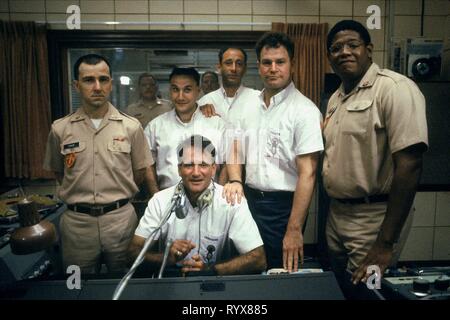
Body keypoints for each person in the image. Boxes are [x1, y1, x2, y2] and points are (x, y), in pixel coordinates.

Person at [322, 20, 428, 295]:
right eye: (336, 48)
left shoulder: (394, 89)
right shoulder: (336, 99)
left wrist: (385, 243)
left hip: (374, 218)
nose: (344, 52)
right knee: (343, 291)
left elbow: (410, 164)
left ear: (369, 50)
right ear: (329, 57)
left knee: (368, 292)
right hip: (337, 215)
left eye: (352, 45)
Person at [43, 54, 153, 275]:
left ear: (111, 83)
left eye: (103, 80)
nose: (97, 87)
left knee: (124, 284)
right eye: (88, 80)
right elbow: (59, 172)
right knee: (76, 288)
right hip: (77, 225)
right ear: (76, 85)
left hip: (121, 221)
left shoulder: (131, 127)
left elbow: (139, 172)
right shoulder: (60, 129)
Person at [225, 32, 324, 271]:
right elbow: (234, 146)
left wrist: (294, 229)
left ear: (292, 64)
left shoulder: (305, 111)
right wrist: (236, 179)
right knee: (245, 269)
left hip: (284, 208)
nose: (273, 68)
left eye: (280, 62)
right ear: (258, 66)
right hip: (248, 201)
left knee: (279, 272)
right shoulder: (246, 104)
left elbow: (308, 174)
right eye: (267, 62)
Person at [128, 135, 266, 276]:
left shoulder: (231, 201)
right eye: (188, 165)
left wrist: (210, 270)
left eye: (203, 165)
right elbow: (133, 253)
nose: (196, 173)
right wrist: (165, 258)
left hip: (215, 283)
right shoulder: (160, 201)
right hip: (171, 282)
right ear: (179, 169)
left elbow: (258, 259)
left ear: (213, 169)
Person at [144, 67, 228, 198]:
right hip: (168, 200)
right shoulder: (155, 126)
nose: (180, 96)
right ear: (170, 91)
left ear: (198, 91)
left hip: (209, 201)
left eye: (187, 90)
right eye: (175, 89)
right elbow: (148, 165)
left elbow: (226, 164)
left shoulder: (217, 125)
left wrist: (219, 197)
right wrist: (156, 196)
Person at [197, 47, 260, 127]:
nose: (233, 68)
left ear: (245, 69)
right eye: (228, 63)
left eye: (239, 64)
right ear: (219, 68)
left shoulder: (258, 99)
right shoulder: (204, 102)